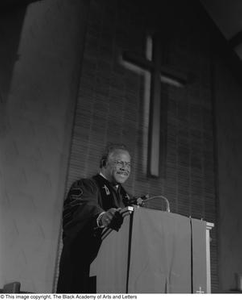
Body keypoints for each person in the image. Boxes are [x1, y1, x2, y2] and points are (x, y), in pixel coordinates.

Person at [56, 143, 132, 293]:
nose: (125, 167)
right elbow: (81, 207)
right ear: (104, 163)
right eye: (119, 162)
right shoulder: (86, 186)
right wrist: (101, 217)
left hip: (114, 276)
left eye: (128, 164)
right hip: (83, 272)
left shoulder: (126, 198)